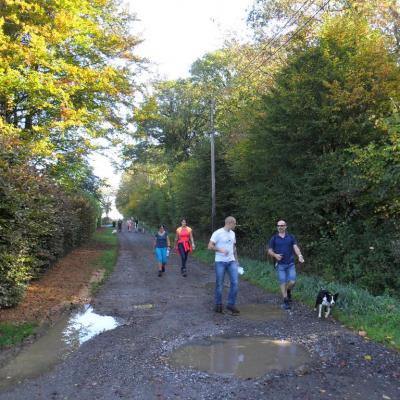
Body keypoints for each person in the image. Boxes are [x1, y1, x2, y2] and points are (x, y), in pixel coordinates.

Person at [267, 220, 304, 310]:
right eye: (278, 225)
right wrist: (275, 255)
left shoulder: (290, 237)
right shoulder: (274, 238)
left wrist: (299, 255)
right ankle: (285, 300)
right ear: (277, 227)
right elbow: (269, 250)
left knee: (292, 282)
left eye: (282, 225)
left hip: (290, 264)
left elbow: (295, 247)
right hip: (280, 265)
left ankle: (287, 291)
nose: (280, 227)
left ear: (285, 227)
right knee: (282, 281)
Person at [208, 216, 240, 315]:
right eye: (235, 224)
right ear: (230, 223)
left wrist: (237, 260)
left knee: (235, 283)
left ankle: (230, 304)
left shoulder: (233, 233)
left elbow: (234, 247)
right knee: (219, 284)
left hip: (231, 261)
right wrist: (220, 249)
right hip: (220, 262)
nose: (235, 226)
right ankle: (218, 305)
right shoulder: (217, 233)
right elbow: (209, 246)